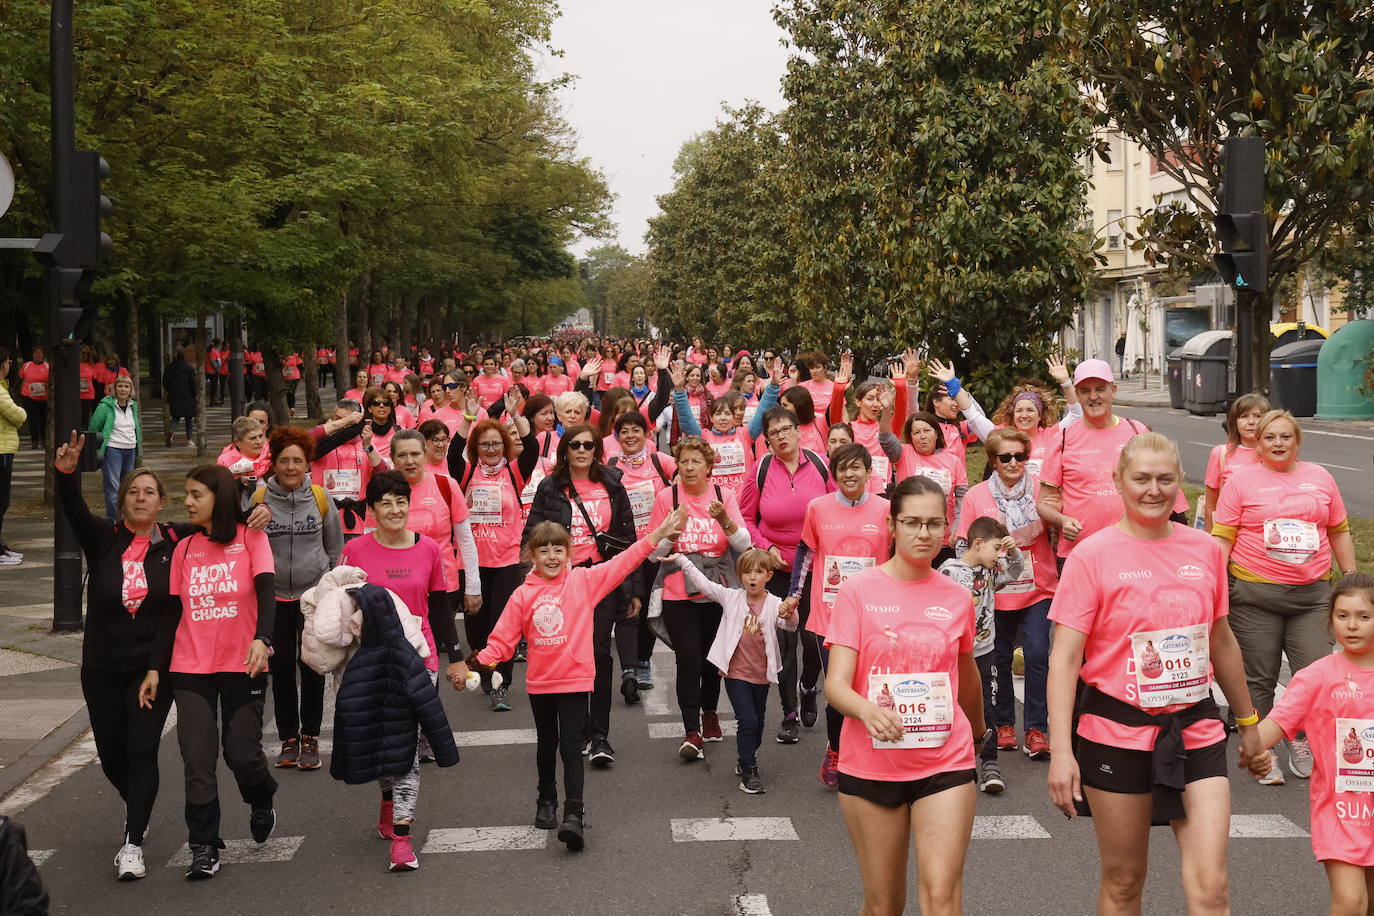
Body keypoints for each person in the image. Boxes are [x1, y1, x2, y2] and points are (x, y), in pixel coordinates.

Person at [1046, 432, 1262, 914]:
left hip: (1196, 729)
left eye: (1165, 479)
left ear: (1178, 484)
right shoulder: (1092, 555)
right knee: (1124, 882)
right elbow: (1063, 659)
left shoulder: (1205, 550)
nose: (1153, 489)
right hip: (1115, 733)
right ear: (1119, 481)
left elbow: (1222, 640)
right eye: (1141, 478)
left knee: (1212, 887)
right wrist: (1062, 753)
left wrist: (1248, 724)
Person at [470, 508, 686, 849]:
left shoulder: (584, 582)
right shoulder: (523, 594)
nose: (552, 557)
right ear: (532, 556)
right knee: (546, 744)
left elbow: (625, 561)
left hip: (574, 682)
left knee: (571, 747)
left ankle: (574, 815)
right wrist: (474, 666)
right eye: (544, 550)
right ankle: (546, 800)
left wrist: (657, 534)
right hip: (541, 684)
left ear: (569, 553)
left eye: (558, 549)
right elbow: (502, 640)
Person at [824, 475, 987, 916]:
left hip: (945, 762)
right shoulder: (858, 591)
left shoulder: (957, 597)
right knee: (884, 905)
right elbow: (836, 683)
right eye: (912, 522)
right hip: (872, 765)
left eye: (934, 524)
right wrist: (866, 709)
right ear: (892, 526)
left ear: (947, 526)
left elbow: (967, 672)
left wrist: (979, 735)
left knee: (941, 897)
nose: (924, 533)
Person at [54, 432, 181, 880]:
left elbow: (219, 523)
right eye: (133, 492)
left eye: (150, 492)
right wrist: (66, 473)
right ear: (122, 501)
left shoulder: (176, 543)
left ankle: (133, 842)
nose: (141, 498)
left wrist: (255, 511)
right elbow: (71, 508)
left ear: (161, 502)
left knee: (143, 747)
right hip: (102, 667)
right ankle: (138, 803)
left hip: (151, 668)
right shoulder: (103, 539)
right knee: (112, 754)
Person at [1212, 409, 1356, 785]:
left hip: (1312, 597)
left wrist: (1351, 578)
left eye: (1285, 437)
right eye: (1270, 437)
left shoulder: (1320, 477)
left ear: (1297, 441)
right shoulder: (1242, 482)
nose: (1278, 443)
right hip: (1255, 595)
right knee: (1259, 680)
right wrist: (1214, 587)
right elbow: (1222, 537)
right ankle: (1263, 751)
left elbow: (1338, 529)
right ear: (1257, 444)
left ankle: (1299, 737)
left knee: (1313, 675)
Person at [339, 471, 468, 871]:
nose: (395, 509)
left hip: (419, 660)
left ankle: (402, 837)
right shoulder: (355, 552)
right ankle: (387, 799)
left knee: (407, 752)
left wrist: (456, 656)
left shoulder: (428, 548)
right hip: (371, 662)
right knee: (384, 745)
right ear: (372, 510)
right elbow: (340, 607)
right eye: (385, 503)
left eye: (401, 501)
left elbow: (441, 606)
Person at [167, 464, 279, 881]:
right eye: (186, 494)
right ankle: (204, 845)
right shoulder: (183, 549)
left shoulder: (253, 537)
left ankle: (262, 795)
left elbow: (267, 592)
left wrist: (262, 639)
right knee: (197, 759)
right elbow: (172, 614)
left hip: (243, 663)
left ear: (219, 498)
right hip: (190, 666)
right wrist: (153, 668)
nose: (189, 501)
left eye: (197, 494)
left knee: (242, 755)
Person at [1240, 572, 1374, 914]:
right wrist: (1253, 750)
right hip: (1341, 810)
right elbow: (1275, 725)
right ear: (1329, 620)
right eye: (1343, 616)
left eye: (1363, 617)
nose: (1352, 626)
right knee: (1350, 902)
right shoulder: (1316, 677)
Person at [523, 424, 637, 763]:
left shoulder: (613, 485)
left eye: (589, 444)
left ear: (597, 450)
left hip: (600, 579)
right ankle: (580, 727)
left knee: (599, 653)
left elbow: (626, 540)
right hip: (561, 583)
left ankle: (600, 735)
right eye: (575, 445)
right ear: (565, 450)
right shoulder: (549, 487)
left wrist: (631, 589)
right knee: (572, 654)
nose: (583, 450)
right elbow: (533, 535)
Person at [790, 444, 892, 787]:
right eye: (843, 469)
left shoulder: (886, 511)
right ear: (834, 474)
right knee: (838, 688)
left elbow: (898, 557)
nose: (850, 474)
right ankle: (835, 750)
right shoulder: (817, 508)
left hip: (877, 615)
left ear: (868, 472)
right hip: (829, 616)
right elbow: (805, 551)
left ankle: (869, 751)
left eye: (856, 468)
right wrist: (794, 593)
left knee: (870, 688)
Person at [648, 435, 754, 760]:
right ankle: (691, 729)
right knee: (688, 658)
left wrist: (724, 519)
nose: (689, 467)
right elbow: (653, 553)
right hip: (679, 586)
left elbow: (744, 544)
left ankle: (710, 712)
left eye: (696, 461)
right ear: (677, 465)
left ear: (710, 467)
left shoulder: (724, 495)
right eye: (684, 461)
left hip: (717, 587)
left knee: (712, 657)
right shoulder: (668, 497)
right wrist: (671, 534)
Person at [956, 428, 1057, 759]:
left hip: (1038, 584)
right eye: (1005, 457)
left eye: (1020, 456)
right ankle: (1002, 724)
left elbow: (1058, 525)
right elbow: (962, 546)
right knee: (997, 660)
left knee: (1039, 654)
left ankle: (1036, 729)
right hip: (994, 592)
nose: (1014, 462)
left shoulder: (1043, 489)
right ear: (993, 461)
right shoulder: (976, 496)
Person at [739, 407, 833, 743]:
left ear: (799, 431)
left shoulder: (821, 464)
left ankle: (809, 686)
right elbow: (746, 517)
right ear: (767, 439)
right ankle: (789, 713)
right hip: (776, 566)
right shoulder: (761, 469)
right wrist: (765, 547)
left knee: (812, 638)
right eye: (773, 432)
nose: (781, 436)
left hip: (814, 566)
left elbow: (837, 505)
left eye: (786, 429)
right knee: (782, 641)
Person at [670, 548, 799, 794]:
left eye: (758, 572)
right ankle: (749, 769)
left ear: (769, 576)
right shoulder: (731, 598)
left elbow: (789, 626)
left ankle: (745, 756)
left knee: (758, 723)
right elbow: (704, 584)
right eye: (747, 572)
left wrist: (791, 614)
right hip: (735, 674)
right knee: (747, 720)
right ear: (739, 576)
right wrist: (681, 559)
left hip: (761, 675)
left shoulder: (774, 604)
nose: (752, 577)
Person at [1037, 358, 1187, 561]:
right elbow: (1044, 503)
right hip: (1080, 553)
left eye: (1100, 389)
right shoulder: (1062, 439)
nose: (1093, 397)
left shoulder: (1137, 431)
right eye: (1085, 391)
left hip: (1136, 550)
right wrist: (1062, 520)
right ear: (1078, 396)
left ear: (1113, 390)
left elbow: (1168, 490)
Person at [255, 428, 342, 772]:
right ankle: (288, 739)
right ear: (274, 463)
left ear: (307, 463)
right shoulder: (258, 498)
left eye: (298, 461)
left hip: (312, 597)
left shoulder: (320, 497)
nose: (291, 467)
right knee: (280, 669)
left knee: (312, 667)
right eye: (284, 460)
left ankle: (310, 738)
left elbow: (335, 548)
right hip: (273, 598)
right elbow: (247, 545)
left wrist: (331, 591)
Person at [453, 416, 540, 706]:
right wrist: (467, 418)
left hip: (506, 562)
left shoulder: (514, 473)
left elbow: (531, 447)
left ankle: (502, 682)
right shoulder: (465, 474)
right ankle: (484, 667)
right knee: (476, 628)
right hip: (472, 563)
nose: (491, 449)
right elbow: (453, 453)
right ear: (475, 447)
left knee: (503, 625)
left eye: (496, 443)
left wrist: (517, 414)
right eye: (484, 444)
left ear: (504, 445)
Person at [939, 517, 1023, 794]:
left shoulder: (991, 571)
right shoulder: (949, 572)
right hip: (953, 655)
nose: (999, 554)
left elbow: (1015, 570)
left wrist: (1012, 551)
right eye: (996, 547)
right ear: (977, 543)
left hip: (985, 652)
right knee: (952, 706)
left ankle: (989, 763)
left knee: (989, 706)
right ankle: (954, 763)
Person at [606, 410, 677, 694]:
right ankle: (630, 666)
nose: (631, 436)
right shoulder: (610, 466)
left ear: (646, 434)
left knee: (649, 606)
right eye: (625, 431)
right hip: (624, 548)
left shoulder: (660, 461)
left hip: (654, 548)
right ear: (617, 437)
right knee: (627, 606)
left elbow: (688, 473)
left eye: (637, 430)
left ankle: (644, 662)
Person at [1202, 392, 1269, 533]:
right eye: (1244, 416)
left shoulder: (1275, 455)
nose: (1251, 422)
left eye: (1258, 416)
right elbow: (1210, 506)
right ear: (1234, 421)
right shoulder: (1221, 454)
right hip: (1229, 533)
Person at [88, 375, 142, 521]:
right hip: (113, 449)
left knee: (127, 488)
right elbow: (94, 427)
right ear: (114, 388)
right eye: (120, 386)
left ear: (131, 389)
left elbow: (136, 428)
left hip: (130, 449)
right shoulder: (105, 406)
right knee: (113, 488)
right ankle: (115, 521)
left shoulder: (133, 406)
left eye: (126, 386)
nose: (123, 389)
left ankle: (127, 519)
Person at [0, 349, 25, 566]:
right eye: (8, 361)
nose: (9, 364)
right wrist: (21, 412)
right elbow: (18, 414)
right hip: (1, 450)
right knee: (1, 501)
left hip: (5, 448)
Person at [218, 416, 270, 484]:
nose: (259, 442)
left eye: (260, 436)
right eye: (253, 438)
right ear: (238, 442)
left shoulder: (271, 454)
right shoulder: (224, 462)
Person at [161, 350, 197, 444]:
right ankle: (189, 439)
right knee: (189, 418)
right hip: (187, 396)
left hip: (174, 396)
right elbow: (193, 384)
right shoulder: (189, 369)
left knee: (175, 417)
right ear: (184, 357)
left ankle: (171, 432)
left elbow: (165, 382)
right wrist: (195, 395)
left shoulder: (169, 368)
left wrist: (170, 391)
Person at [19, 346, 48, 450]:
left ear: (43, 355)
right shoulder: (26, 366)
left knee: (43, 420)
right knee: (32, 420)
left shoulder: (47, 366)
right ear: (33, 355)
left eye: (40, 353)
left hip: (44, 399)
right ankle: (34, 441)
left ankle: (44, 439)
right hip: (29, 397)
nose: (37, 355)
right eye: (35, 353)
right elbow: (19, 379)